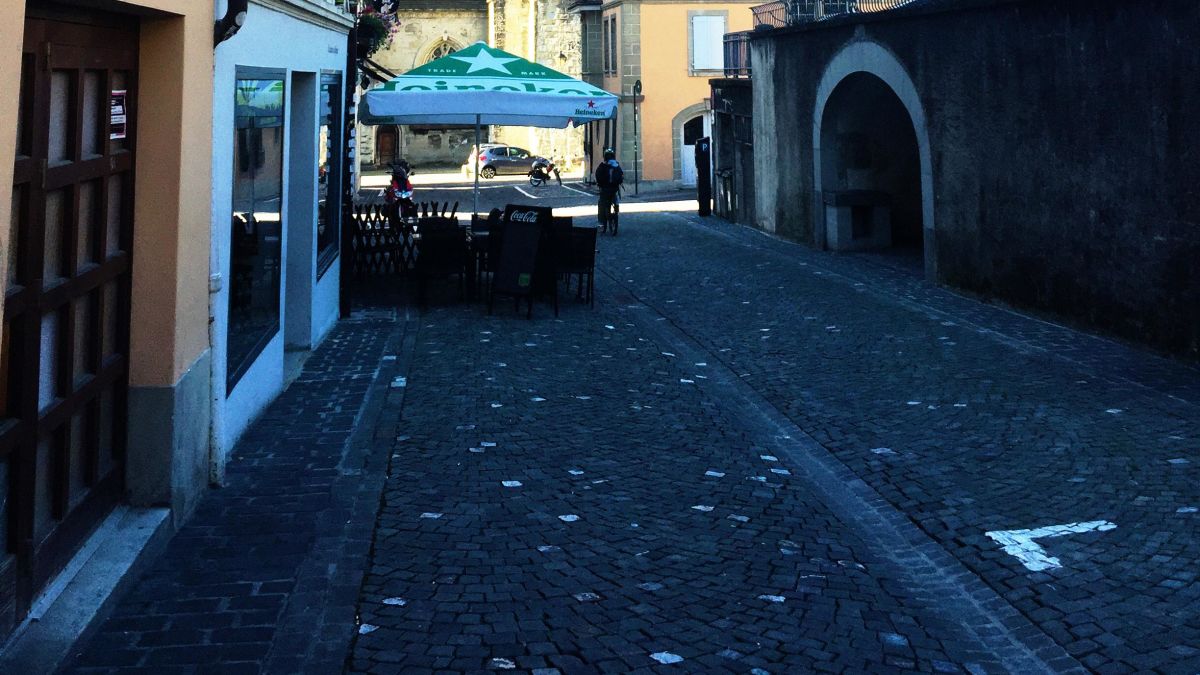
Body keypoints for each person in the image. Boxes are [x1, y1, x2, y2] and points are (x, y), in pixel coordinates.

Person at [595, 148, 624, 235]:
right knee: (615, 199)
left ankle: (601, 223)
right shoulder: (616, 165)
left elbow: (598, 176)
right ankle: (616, 209)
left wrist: (599, 184)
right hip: (614, 189)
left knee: (601, 204)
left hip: (604, 189)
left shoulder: (602, 165)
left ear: (605, 156)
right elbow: (621, 176)